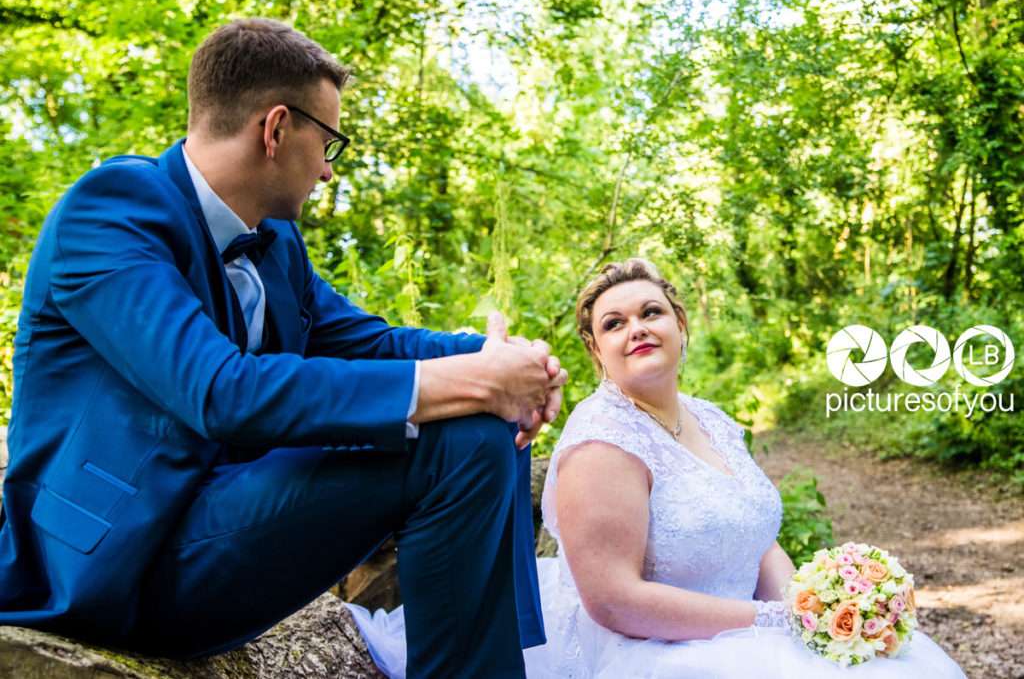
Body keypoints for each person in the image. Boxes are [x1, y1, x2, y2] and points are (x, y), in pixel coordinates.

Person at [0, 18, 566, 679]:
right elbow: (221, 391)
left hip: (224, 538)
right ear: (275, 128)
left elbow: (373, 344)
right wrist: (476, 382)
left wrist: (499, 363)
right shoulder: (112, 213)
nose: (328, 170)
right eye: (328, 142)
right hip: (113, 561)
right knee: (464, 408)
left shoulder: (275, 245)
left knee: (471, 430)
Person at [350, 259, 966, 678]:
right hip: (648, 645)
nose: (636, 328)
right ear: (595, 350)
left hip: (747, 622)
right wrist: (776, 620)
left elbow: (757, 539)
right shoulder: (602, 440)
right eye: (613, 324)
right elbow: (616, 602)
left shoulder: (713, 419)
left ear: (680, 326)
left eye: (651, 312)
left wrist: (816, 609)